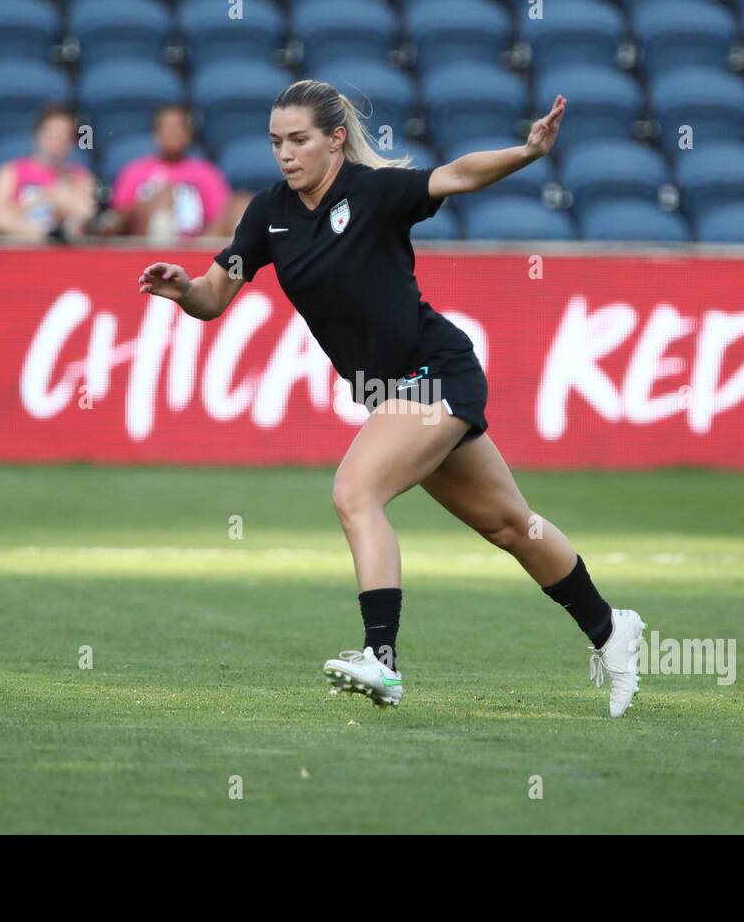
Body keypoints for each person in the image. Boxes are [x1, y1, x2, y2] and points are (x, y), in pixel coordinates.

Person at [137, 80, 646, 717]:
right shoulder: (269, 213)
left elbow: (456, 176)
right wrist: (183, 289)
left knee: (356, 492)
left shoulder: (373, 192)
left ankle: (382, 661)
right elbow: (215, 297)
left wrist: (527, 153)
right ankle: (611, 629)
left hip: (437, 371)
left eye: (299, 140)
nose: (286, 154)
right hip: (392, 393)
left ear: (336, 140)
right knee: (513, 525)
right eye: (275, 142)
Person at [107, 104, 246, 240]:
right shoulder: (134, 171)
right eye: (166, 128)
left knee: (240, 202)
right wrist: (154, 202)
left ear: (189, 135)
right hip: (144, 243)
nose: (172, 134)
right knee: (164, 200)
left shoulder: (206, 172)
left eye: (178, 129)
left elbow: (219, 217)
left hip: (196, 245)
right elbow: (119, 217)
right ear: (155, 134)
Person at [0, 104, 96, 241]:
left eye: (64, 135)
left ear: (71, 142)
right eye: (52, 134)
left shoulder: (80, 177)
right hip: (23, 245)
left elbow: (87, 216)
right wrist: (39, 202)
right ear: (38, 135)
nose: (57, 140)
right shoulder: (10, 172)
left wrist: (63, 205)